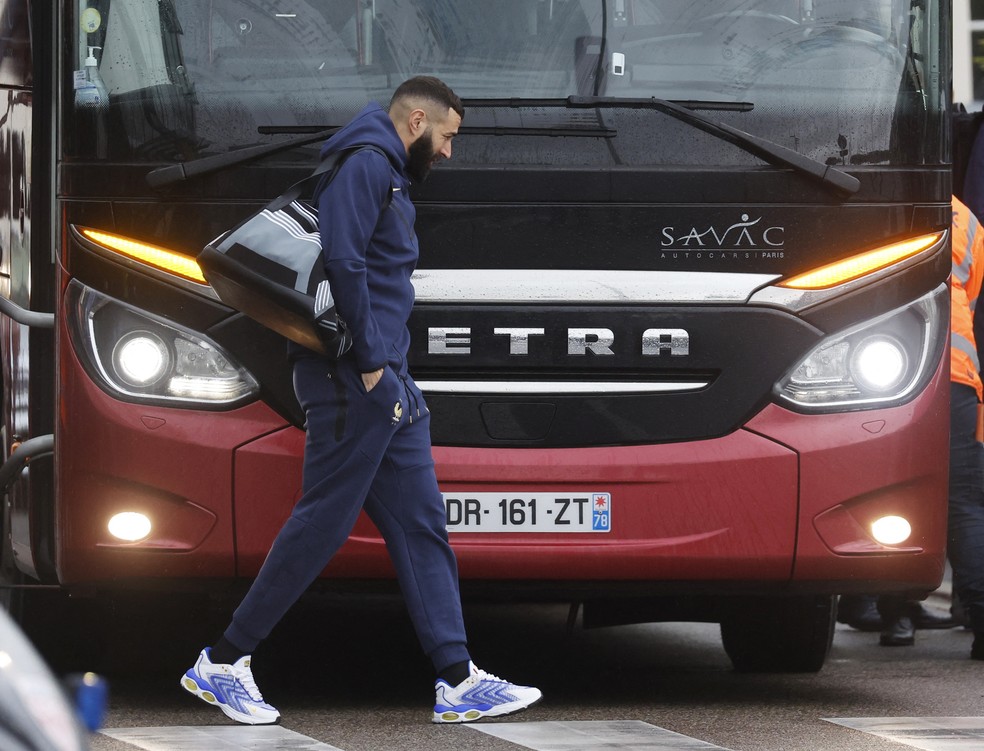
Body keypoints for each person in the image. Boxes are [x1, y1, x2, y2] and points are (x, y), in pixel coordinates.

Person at [179, 76, 542, 724]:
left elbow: (373, 272)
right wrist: (373, 365)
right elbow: (344, 262)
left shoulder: (383, 167)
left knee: (422, 523)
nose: (450, 152)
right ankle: (224, 660)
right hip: (353, 379)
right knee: (322, 521)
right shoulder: (367, 164)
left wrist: (392, 374)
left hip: (386, 381)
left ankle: (457, 678)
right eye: (448, 137)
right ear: (418, 120)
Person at [942, 195, 984, 659]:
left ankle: (893, 614)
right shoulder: (968, 218)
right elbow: (970, 296)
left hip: (879, 368)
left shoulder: (877, 197)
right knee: (965, 504)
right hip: (957, 373)